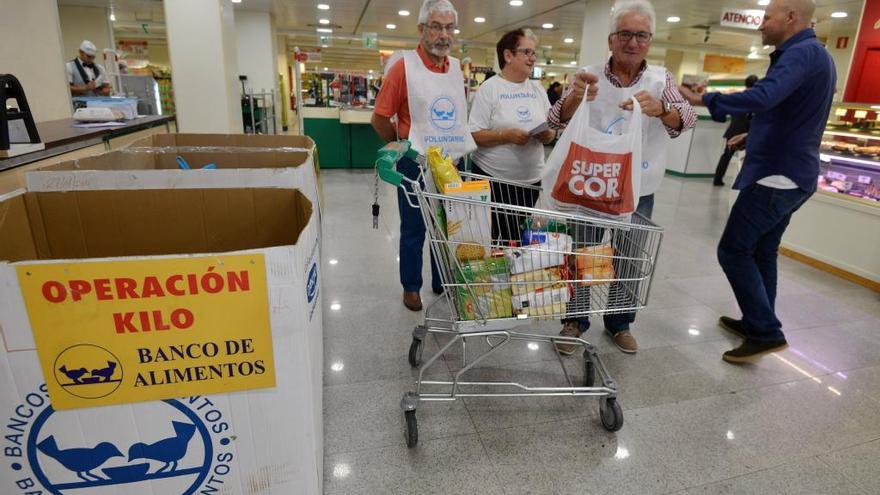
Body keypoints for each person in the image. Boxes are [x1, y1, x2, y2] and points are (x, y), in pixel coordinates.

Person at [679, 0, 835, 364]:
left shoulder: (802, 54)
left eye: (767, 18)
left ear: (791, 18)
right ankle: (757, 320)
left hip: (777, 176)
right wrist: (751, 137)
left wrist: (705, 98)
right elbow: (792, 112)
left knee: (732, 250)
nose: (761, 25)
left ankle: (765, 331)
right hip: (795, 173)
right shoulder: (815, 54)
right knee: (763, 250)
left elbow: (765, 96)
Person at [547, 0, 697, 355]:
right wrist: (576, 98)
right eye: (625, 34)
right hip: (590, 183)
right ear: (611, 39)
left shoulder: (662, 80)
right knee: (582, 253)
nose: (633, 42)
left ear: (650, 40)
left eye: (641, 35)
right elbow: (555, 119)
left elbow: (687, 118)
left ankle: (619, 322)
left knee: (628, 258)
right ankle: (575, 320)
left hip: (639, 187)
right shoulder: (589, 74)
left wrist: (662, 110)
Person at [371, 0, 476, 312]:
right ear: (421, 30)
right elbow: (379, 118)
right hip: (413, 162)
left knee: (446, 225)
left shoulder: (456, 68)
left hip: (449, 162)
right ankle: (411, 286)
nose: (443, 35)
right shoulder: (403, 68)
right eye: (436, 26)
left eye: (449, 28)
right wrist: (401, 145)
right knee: (415, 226)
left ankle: (442, 280)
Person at [468, 28, 559, 242]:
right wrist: (506, 136)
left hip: (530, 182)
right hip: (493, 180)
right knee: (489, 240)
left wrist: (547, 135)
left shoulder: (538, 90)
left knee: (515, 239)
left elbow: (552, 128)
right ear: (508, 56)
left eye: (534, 53)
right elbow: (473, 134)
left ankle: (510, 274)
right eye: (527, 52)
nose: (533, 58)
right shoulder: (489, 89)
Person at [713, 75, 759, 186]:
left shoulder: (738, 96)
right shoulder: (755, 98)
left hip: (733, 130)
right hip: (747, 133)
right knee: (746, 159)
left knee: (726, 156)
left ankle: (717, 179)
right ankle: (742, 182)